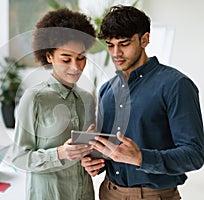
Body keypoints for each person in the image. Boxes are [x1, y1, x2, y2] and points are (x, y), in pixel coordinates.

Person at [81, 5, 204, 200]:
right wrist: (93, 160)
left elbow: (194, 155)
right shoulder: (106, 90)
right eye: (110, 45)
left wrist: (141, 158)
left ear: (144, 39)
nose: (115, 53)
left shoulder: (176, 85)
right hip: (108, 192)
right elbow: (111, 150)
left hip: (154, 196)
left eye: (124, 43)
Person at [11, 8, 96, 200]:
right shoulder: (34, 98)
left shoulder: (88, 99)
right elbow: (18, 157)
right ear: (49, 57)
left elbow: (87, 154)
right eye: (66, 59)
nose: (76, 66)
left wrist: (94, 160)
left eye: (81, 57)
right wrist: (59, 153)